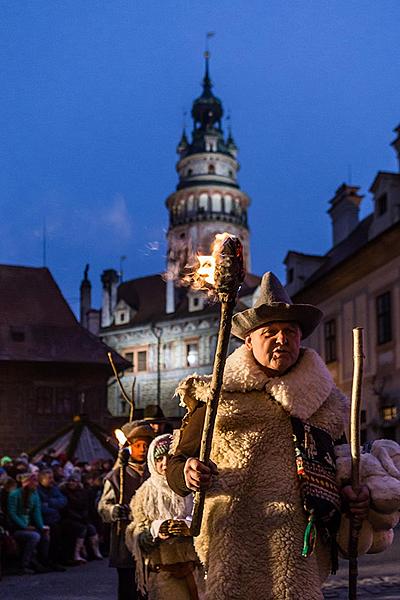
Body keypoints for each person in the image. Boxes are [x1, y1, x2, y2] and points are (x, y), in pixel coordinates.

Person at [167, 272, 375, 600]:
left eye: (289, 332)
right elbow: (176, 464)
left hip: (299, 550)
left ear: (300, 339)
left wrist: (354, 494)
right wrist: (188, 472)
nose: (281, 339)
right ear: (248, 340)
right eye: (270, 332)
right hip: (232, 542)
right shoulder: (215, 395)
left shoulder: (327, 401)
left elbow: (344, 466)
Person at [126, 434, 204, 600]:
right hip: (165, 575)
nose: (165, 463)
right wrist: (156, 531)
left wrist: (190, 527)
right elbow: (134, 535)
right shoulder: (145, 494)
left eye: (170, 457)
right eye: (159, 458)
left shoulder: (195, 488)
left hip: (197, 571)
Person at [98, 420, 155, 600]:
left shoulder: (155, 474)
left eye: (146, 445)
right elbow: (102, 506)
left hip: (150, 539)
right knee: (128, 587)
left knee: (151, 587)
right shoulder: (116, 476)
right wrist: (114, 511)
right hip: (125, 539)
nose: (143, 449)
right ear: (130, 447)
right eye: (138, 445)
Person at [7, 472, 50, 574]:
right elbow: (12, 513)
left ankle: (42, 561)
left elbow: (37, 513)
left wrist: (41, 526)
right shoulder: (15, 495)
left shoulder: (34, 495)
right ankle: (24, 565)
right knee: (34, 536)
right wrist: (24, 526)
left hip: (28, 525)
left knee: (45, 535)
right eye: (34, 481)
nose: (36, 484)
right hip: (16, 528)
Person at [60, 473, 103, 564]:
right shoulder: (65, 492)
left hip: (81, 517)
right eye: (70, 481)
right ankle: (76, 554)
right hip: (69, 518)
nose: (72, 483)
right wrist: (79, 518)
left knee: (92, 529)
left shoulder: (82, 493)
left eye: (74, 481)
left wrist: (84, 517)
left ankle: (96, 551)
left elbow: (85, 507)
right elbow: (67, 509)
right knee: (81, 529)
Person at [37, 469, 67, 570]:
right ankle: (49, 561)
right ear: (42, 479)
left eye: (52, 478)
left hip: (55, 518)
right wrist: (54, 507)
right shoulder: (37, 490)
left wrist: (49, 502)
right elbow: (41, 508)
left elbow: (63, 501)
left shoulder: (54, 488)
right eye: (49, 478)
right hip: (43, 520)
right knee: (53, 533)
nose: (52, 480)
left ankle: (59, 559)